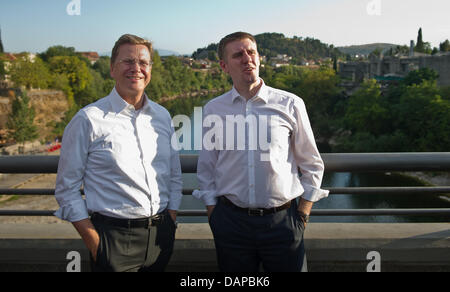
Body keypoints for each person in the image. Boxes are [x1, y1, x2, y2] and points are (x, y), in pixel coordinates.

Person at [193, 32, 329, 272]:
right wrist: (214, 214)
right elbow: (207, 167)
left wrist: (302, 216)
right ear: (224, 66)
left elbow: (311, 164)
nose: (247, 59)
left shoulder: (290, 104)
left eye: (251, 52)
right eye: (238, 55)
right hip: (231, 224)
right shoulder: (213, 109)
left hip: (282, 223)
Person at [55, 34, 182, 272]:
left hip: (160, 237)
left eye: (143, 63)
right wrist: (96, 245)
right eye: (128, 61)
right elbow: (66, 189)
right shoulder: (88, 119)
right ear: (112, 69)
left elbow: (174, 175)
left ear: (150, 69)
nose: (137, 69)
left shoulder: (163, 116)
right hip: (112, 239)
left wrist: (170, 221)